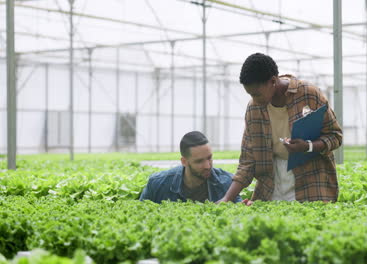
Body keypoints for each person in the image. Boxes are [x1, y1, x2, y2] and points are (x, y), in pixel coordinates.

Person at [218, 53, 342, 203]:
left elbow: (335, 136)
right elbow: (247, 160)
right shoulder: (254, 109)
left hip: (310, 178)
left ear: (272, 81)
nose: (254, 100)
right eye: (250, 94)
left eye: (257, 94)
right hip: (273, 182)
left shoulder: (308, 94)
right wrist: (226, 199)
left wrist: (308, 146)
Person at [140, 131, 242, 203]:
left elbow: (238, 209)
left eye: (209, 158)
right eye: (199, 161)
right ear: (184, 162)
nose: (207, 166)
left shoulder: (227, 182)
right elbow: (142, 214)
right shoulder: (157, 184)